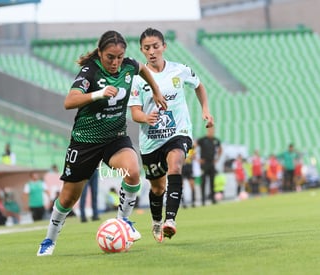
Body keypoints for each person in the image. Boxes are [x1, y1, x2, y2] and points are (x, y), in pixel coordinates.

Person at [36, 30, 167, 256]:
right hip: (85, 142)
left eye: (119, 57)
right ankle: (49, 240)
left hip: (114, 138)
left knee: (133, 171)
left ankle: (123, 222)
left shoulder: (129, 65)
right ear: (100, 53)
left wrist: (156, 91)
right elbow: (70, 101)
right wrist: (99, 94)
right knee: (68, 198)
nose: (116, 62)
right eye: (110, 57)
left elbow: (143, 69)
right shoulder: (90, 72)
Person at [129, 28, 213, 242]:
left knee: (176, 164)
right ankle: (157, 220)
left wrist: (205, 109)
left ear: (164, 47)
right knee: (158, 188)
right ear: (141, 50)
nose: (152, 51)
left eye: (156, 46)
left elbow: (199, 86)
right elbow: (135, 112)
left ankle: (171, 220)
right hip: (151, 142)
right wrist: (144, 118)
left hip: (178, 132)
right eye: (147, 48)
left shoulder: (180, 70)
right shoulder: (137, 80)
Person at [197, 126, 222, 206]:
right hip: (204, 163)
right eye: (210, 130)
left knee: (212, 182)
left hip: (211, 163)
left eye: (213, 130)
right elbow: (193, 146)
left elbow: (220, 149)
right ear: (207, 130)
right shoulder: (202, 140)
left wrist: (217, 158)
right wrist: (197, 159)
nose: (211, 131)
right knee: (203, 182)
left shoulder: (216, 140)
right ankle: (203, 200)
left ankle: (213, 199)